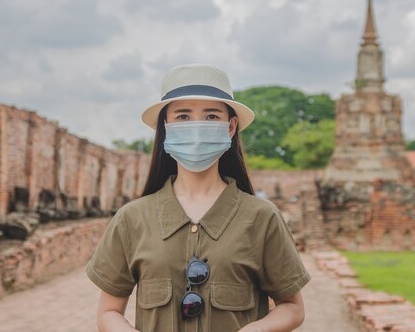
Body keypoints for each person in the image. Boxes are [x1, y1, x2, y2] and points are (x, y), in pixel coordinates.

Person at [85, 63, 311, 332]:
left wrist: (257, 330)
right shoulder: (131, 219)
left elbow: (293, 307)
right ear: (165, 127)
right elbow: (109, 312)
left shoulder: (262, 218)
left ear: (231, 127)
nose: (197, 127)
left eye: (211, 116)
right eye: (183, 117)